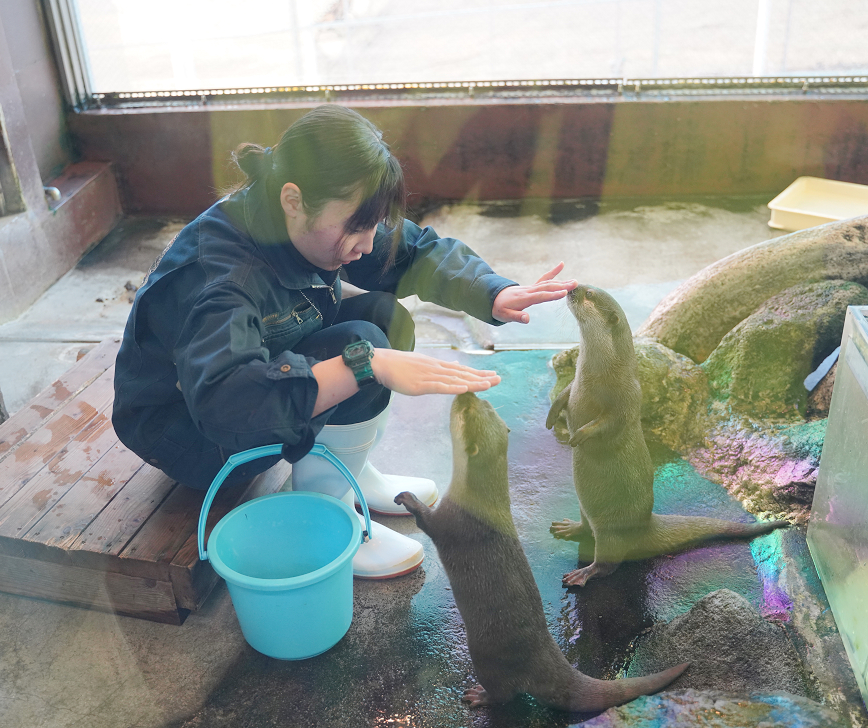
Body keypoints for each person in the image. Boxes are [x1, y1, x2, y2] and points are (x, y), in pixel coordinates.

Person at [113, 105, 576, 579]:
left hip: (255, 376)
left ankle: (347, 472)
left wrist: (492, 291)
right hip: (195, 437)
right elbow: (226, 404)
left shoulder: (310, 208)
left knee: (383, 320)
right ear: (293, 200)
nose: (369, 243)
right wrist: (363, 365)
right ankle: (322, 518)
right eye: (358, 226)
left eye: (374, 223)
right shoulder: (221, 280)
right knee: (363, 346)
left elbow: (410, 250)